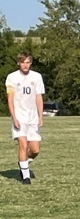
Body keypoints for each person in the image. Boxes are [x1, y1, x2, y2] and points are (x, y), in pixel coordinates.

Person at [5, 51, 45, 185]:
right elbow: (10, 99)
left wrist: (40, 116)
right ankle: (26, 177)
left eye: (28, 62)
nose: (25, 65)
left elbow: (38, 97)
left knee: (35, 150)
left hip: (32, 117)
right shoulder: (12, 77)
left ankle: (23, 163)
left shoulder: (37, 77)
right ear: (18, 63)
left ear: (31, 63)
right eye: (23, 62)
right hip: (19, 116)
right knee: (23, 144)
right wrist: (14, 117)